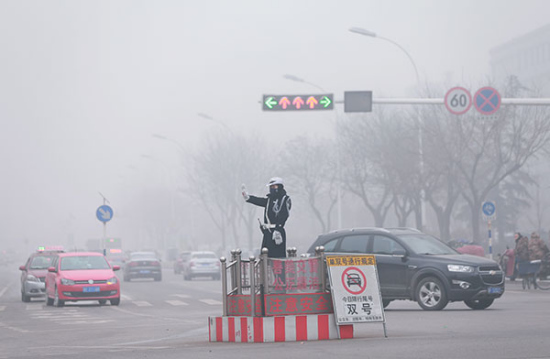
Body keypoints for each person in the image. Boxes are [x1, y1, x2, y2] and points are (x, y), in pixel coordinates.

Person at [241, 177, 291, 258]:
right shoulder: (269, 200)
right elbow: (259, 201)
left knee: (278, 256)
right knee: (265, 255)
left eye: (274, 187)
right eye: (270, 187)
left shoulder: (285, 199)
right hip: (268, 232)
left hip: (278, 231)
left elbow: (284, 214)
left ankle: (278, 271)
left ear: (280, 186)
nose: (272, 189)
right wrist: (248, 197)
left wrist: (278, 228)